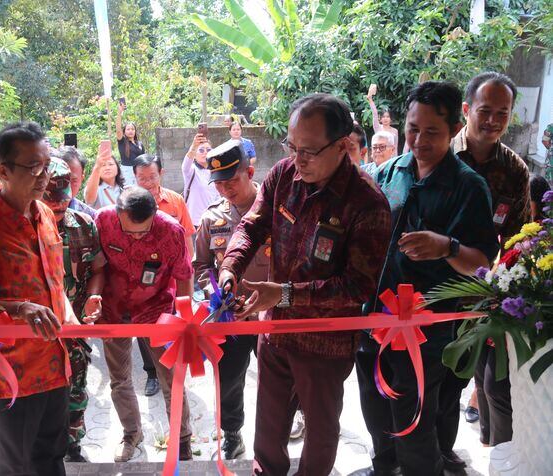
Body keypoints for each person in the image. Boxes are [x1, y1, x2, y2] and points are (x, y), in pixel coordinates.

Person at [218, 93, 392, 476]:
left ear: (344, 145)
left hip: (325, 343)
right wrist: (231, 265)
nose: (299, 160)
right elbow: (252, 224)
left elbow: (357, 287)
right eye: (292, 146)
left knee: (320, 430)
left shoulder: (368, 204)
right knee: (268, 428)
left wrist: (282, 293)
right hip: (276, 332)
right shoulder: (283, 175)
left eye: (309, 151)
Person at [356, 81, 499, 476]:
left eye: (432, 131)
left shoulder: (468, 187)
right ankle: (383, 468)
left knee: (414, 426)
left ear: (455, 128)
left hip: (424, 334)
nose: (419, 140)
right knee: (374, 410)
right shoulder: (389, 173)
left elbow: (483, 262)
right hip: (373, 322)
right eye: (413, 129)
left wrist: (446, 247)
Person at [0, 122, 74, 475]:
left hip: (57, 363)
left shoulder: (46, 218)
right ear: (3, 170)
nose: (44, 177)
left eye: (47, 165)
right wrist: (19, 308)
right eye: (33, 167)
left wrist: (73, 314)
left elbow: (56, 284)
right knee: (15, 464)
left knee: (53, 458)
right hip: (12, 372)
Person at [450, 71, 530, 458]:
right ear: (467, 110)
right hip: (433, 289)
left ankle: (496, 456)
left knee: (490, 379)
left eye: (503, 112)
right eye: (485, 111)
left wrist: (501, 284)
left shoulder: (515, 171)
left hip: (485, 292)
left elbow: (516, 240)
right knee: (435, 378)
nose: (493, 120)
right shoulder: (440, 155)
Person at [93, 187, 194, 462]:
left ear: (154, 215)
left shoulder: (171, 231)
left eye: (142, 231)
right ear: (117, 214)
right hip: (113, 310)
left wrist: (184, 318)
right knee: (119, 380)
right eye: (129, 232)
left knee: (171, 379)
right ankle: (131, 434)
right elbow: (97, 267)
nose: (136, 236)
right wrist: (93, 297)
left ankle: (182, 439)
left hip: (156, 311)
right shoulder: (102, 221)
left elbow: (184, 275)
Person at [193, 139, 267, 459]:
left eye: (232, 181)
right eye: (218, 184)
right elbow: (200, 267)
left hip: (271, 315)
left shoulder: (276, 211)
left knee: (282, 375)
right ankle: (232, 433)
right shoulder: (211, 219)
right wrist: (212, 291)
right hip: (231, 318)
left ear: (249, 172)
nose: (225, 189)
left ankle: (292, 420)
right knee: (228, 379)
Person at [39, 155, 105, 463]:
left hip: (76, 328)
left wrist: (94, 296)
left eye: (63, 205)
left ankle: (72, 445)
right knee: (41, 395)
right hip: (37, 332)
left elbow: (98, 269)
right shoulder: (24, 230)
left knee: (76, 389)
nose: (57, 211)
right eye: (51, 206)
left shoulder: (84, 225)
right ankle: (43, 449)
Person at [133, 153, 196, 397]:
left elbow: (187, 235)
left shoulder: (175, 200)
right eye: (142, 178)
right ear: (134, 178)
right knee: (142, 328)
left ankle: (171, 370)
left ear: (161, 174)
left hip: (171, 277)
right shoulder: (129, 202)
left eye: (151, 176)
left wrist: (189, 269)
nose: (147, 182)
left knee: (173, 322)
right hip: (140, 279)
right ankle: (152, 374)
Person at [182, 132, 220, 226]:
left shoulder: (216, 171)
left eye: (208, 150)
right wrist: (194, 146)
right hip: (194, 223)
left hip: (212, 222)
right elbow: (185, 165)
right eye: (201, 150)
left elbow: (218, 197)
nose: (205, 153)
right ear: (195, 155)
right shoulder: (191, 171)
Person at [61, 147, 96, 218]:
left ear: (82, 178)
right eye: (61, 181)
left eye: (73, 181)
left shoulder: (90, 217)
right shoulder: (35, 212)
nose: (67, 188)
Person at [116, 101, 144, 186]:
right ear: (124, 131)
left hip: (138, 171)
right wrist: (119, 112)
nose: (131, 131)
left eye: (132, 129)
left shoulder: (139, 144)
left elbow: (143, 159)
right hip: (126, 171)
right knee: (129, 193)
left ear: (135, 131)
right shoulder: (123, 142)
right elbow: (118, 130)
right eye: (128, 129)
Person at [367, 84, 400, 153]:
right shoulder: (378, 128)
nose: (385, 119)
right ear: (380, 119)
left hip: (391, 158)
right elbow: (375, 114)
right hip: (379, 155)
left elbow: (395, 147)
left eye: (387, 117)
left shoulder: (395, 131)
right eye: (383, 117)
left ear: (391, 119)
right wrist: (370, 99)